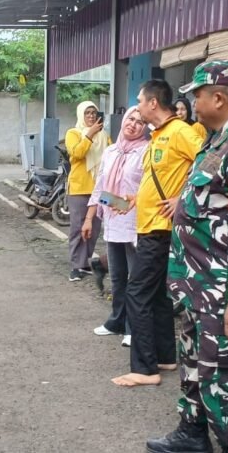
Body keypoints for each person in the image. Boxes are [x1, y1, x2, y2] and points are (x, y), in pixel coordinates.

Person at [146, 61, 228, 453]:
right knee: (196, 368)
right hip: (196, 287)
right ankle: (192, 433)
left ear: (218, 97)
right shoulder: (214, 141)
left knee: (225, 377)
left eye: (197, 95)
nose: (192, 102)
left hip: (220, 293)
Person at [112, 80, 204, 388]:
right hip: (151, 225)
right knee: (159, 298)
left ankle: (144, 368)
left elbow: (213, 161)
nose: (136, 106)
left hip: (160, 231)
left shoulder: (180, 132)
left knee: (136, 293)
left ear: (153, 103)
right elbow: (159, 179)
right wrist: (134, 201)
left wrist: (183, 198)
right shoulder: (160, 136)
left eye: (139, 100)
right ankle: (165, 356)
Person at [83, 107, 149, 348]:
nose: (133, 124)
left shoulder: (146, 151)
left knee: (135, 279)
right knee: (119, 277)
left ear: (145, 128)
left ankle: (133, 327)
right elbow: (100, 188)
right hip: (113, 221)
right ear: (123, 120)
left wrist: (123, 204)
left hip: (135, 223)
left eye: (140, 122)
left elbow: (146, 190)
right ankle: (116, 322)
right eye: (131, 119)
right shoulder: (111, 151)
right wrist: (90, 218)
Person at [65, 101, 111, 281]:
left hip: (101, 189)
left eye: (93, 113)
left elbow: (111, 156)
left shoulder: (105, 136)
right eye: (87, 113)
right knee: (78, 227)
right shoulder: (73, 133)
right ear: (81, 115)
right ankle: (76, 266)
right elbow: (76, 154)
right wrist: (90, 135)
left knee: (95, 227)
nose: (91, 116)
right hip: (79, 188)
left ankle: (86, 262)